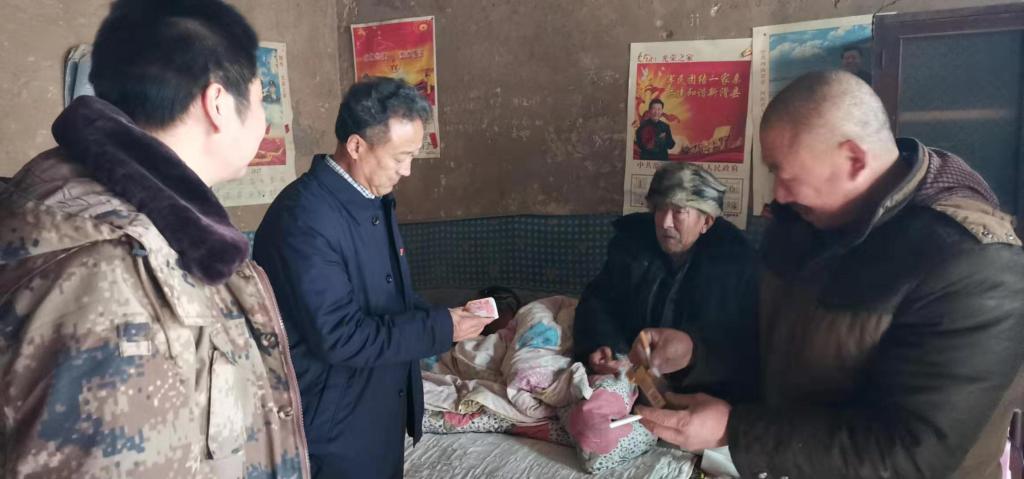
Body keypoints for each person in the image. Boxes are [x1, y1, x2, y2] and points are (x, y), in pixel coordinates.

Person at [635, 70, 1024, 479]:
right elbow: (770, 338)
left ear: (853, 160)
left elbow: (911, 453)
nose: (778, 193)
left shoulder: (974, 263)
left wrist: (735, 430)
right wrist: (696, 352)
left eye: (785, 173)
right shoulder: (802, 222)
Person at [0, 0, 310, 477]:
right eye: (260, 98)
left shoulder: (168, 237)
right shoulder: (109, 279)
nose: (265, 122)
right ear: (218, 104)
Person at [253, 77, 493, 478]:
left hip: (374, 410)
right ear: (356, 146)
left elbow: (389, 299)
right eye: (400, 157)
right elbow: (341, 337)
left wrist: (448, 317)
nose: (408, 170)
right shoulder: (303, 218)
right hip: (333, 429)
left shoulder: (371, 201)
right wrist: (441, 328)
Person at [572, 162, 759, 403]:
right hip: (631, 370)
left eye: (679, 211)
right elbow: (599, 299)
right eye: (660, 209)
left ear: (706, 222)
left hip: (698, 389)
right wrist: (602, 343)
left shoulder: (735, 264)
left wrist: (691, 354)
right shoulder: (631, 245)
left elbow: (739, 345)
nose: (665, 223)